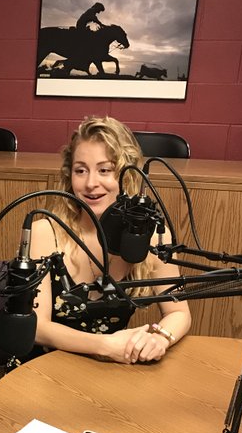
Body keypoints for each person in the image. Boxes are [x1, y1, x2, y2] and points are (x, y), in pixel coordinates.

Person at [29, 116, 191, 364]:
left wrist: (160, 338)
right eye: (80, 170)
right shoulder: (44, 231)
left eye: (104, 170)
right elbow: (37, 327)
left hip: (109, 371)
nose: (91, 183)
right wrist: (105, 346)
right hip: (41, 369)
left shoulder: (153, 235)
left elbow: (179, 311)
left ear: (128, 176)